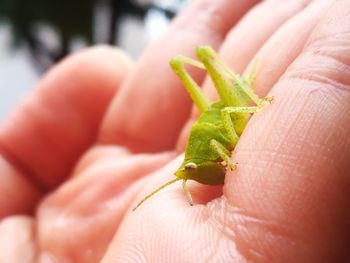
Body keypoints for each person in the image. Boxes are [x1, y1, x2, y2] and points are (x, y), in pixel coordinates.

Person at [0, 0, 349, 262]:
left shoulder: (211, 149)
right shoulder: (198, 163)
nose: (192, 175)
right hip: (220, 113)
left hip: (238, 103)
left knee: (201, 68)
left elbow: (226, 122)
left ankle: (234, 83)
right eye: (191, 172)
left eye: (191, 171)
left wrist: (251, 111)